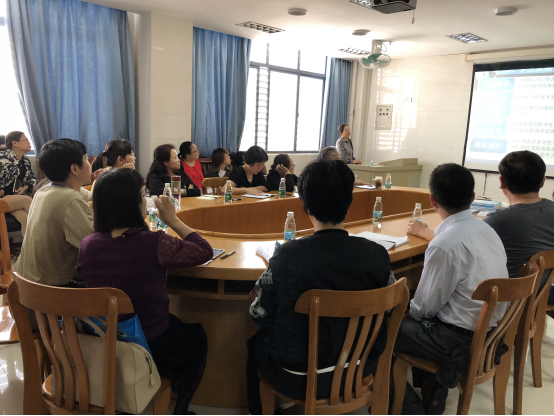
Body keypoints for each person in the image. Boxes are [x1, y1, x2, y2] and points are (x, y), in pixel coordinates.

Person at [246, 159, 395, 415]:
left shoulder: (288, 256)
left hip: (297, 376)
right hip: (359, 367)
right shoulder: (377, 254)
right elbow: (388, 311)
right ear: (349, 201)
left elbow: (259, 315)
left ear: (305, 206)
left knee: (255, 343)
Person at [77, 168, 213, 416]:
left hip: (102, 337)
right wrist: (172, 220)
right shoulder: (154, 243)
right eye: (142, 195)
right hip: (151, 342)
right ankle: (180, 409)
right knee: (197, 337)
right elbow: (204, 250)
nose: (145, 200)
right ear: (132, 203)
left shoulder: (88, 244)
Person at [398, 163, 509, 415]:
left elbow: (424, 310)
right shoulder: (487, 230)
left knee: (382, 328)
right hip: (491, 334)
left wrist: (402, 313)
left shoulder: (444, 245)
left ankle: (410, 407)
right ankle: (433, 383)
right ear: (473, 197)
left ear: (432, 201)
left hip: (457, 341)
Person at [14, 139, 95, 331]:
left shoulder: (47, 188)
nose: (90, 163)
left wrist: (105, 180)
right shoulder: (69, 199)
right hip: (43, 307)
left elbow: (92, 196)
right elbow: (97, 247)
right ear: (74, 169)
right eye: (86, 159)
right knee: (115, 297)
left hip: (24, 295)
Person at [480, 151, 554, 304]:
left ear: (501, 182)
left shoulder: (497, 220)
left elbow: (462, 248)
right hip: (542, 294)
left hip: (505, 301)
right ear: (542, 182)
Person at [0, 131, 37, 236]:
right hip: (2, 198)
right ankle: (46, 230)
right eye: (26, 140)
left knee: (26, 220)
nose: (29, 143)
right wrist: (3, 191)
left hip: (13, 199)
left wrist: (24, 187)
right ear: (15, 143)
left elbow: (32, 178)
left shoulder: (25, 160)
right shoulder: (2, 158)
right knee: (27, 200)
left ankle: (29, 247)